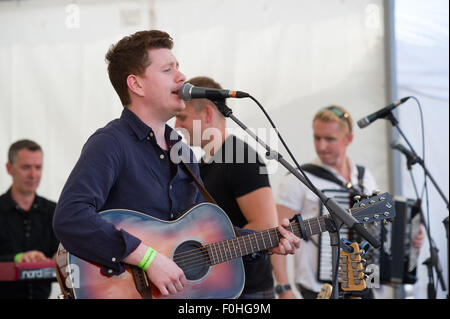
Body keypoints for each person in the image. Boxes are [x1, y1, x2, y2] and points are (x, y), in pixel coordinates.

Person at [52, 30, 300, 298]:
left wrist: (265, 243)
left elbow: (202, 235)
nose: (181, 77)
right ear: (137, 85)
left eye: (178, 67)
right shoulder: (110, 143)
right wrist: (147, 258)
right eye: (168, 69)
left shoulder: (181, 151)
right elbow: (70, 216)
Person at [271, 105, 424, 299]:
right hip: (319, 288)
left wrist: (409, 236)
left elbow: (379, 228)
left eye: (330, 139)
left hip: (365, 284)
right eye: (317, 138)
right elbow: (278, 234)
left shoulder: (364, 176)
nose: (321, 146)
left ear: (348, 139)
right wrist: (283, 289)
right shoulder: (298, 179)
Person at [175, 76, 280, 298]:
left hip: (248, 290)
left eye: (182, 117)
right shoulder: (204, 163)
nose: (177, 126)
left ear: (208, 114)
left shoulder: (242, 157)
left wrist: (207, 252)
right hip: (221, 288)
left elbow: (266, 225)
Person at [0, 139, 59, 299]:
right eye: (26, 167)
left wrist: (61, 257)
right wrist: (18, 259)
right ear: (9, 168)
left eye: (38, 167)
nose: (33, 175)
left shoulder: (54, 211)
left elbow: (63, 254)